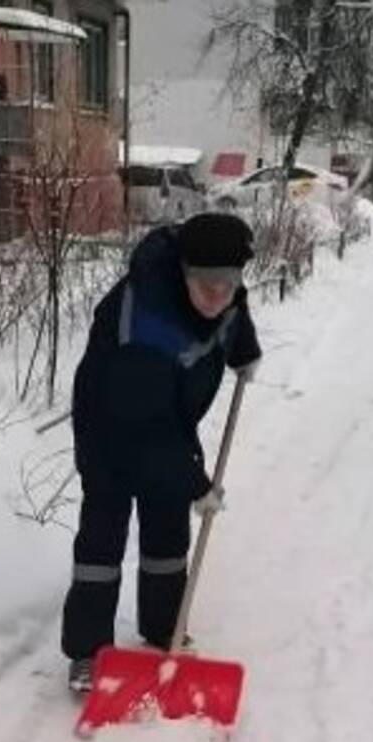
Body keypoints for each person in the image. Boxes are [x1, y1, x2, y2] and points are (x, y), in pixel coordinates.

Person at [61, 212, 262, 692]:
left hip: (166, 420)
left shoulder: (222, 292)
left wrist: (244, 351)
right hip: (111, 427)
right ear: (183, 273)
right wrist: (198, 484)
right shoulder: (147, 320)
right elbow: (143, 427)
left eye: (227, 283)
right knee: (102, 542)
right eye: (206, 285)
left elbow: (233, 314)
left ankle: (162, 629)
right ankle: (89, 654)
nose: (217, 296)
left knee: (168, 530)